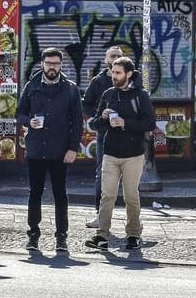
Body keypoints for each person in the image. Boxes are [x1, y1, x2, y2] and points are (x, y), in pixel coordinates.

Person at [15, 46, 80, 248]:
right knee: (35, 192)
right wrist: (29, 121)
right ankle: (33, 234)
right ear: (42, 64)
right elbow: (19, 114)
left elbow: (78, 122)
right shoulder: (32, 86)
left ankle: (61, 236)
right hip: (36, 149)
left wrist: (73, 148)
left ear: (61, 65)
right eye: (49, 63)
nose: (52, 67)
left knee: (60, 193)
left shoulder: (70, 88)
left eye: (56, 63)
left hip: (60, 150)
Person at [87, 56, 153, 251]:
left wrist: (126, 123)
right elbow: (95, 124)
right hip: (110, 153)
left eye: (117, 73)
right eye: (112, 72)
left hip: (133, 154)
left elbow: (149, 123)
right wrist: (103, 118)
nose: (113, 76)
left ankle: (133, 235)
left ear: (129, 74)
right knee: (107, 196)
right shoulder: (108, 94)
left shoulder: (140, 96)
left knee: (131, 196)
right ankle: (102, 236)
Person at [80, 44, 127, 228]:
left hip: (128, 134)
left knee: (130, 177)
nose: (115, 59)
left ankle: (133, 220)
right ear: (106, 59)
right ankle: (100, 216)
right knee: (102, 174)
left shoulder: (131, 79)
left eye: (118, 56)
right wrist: (101, 114)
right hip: (105, 135)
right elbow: (86, 104)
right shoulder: (98, 81)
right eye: (112, 56)